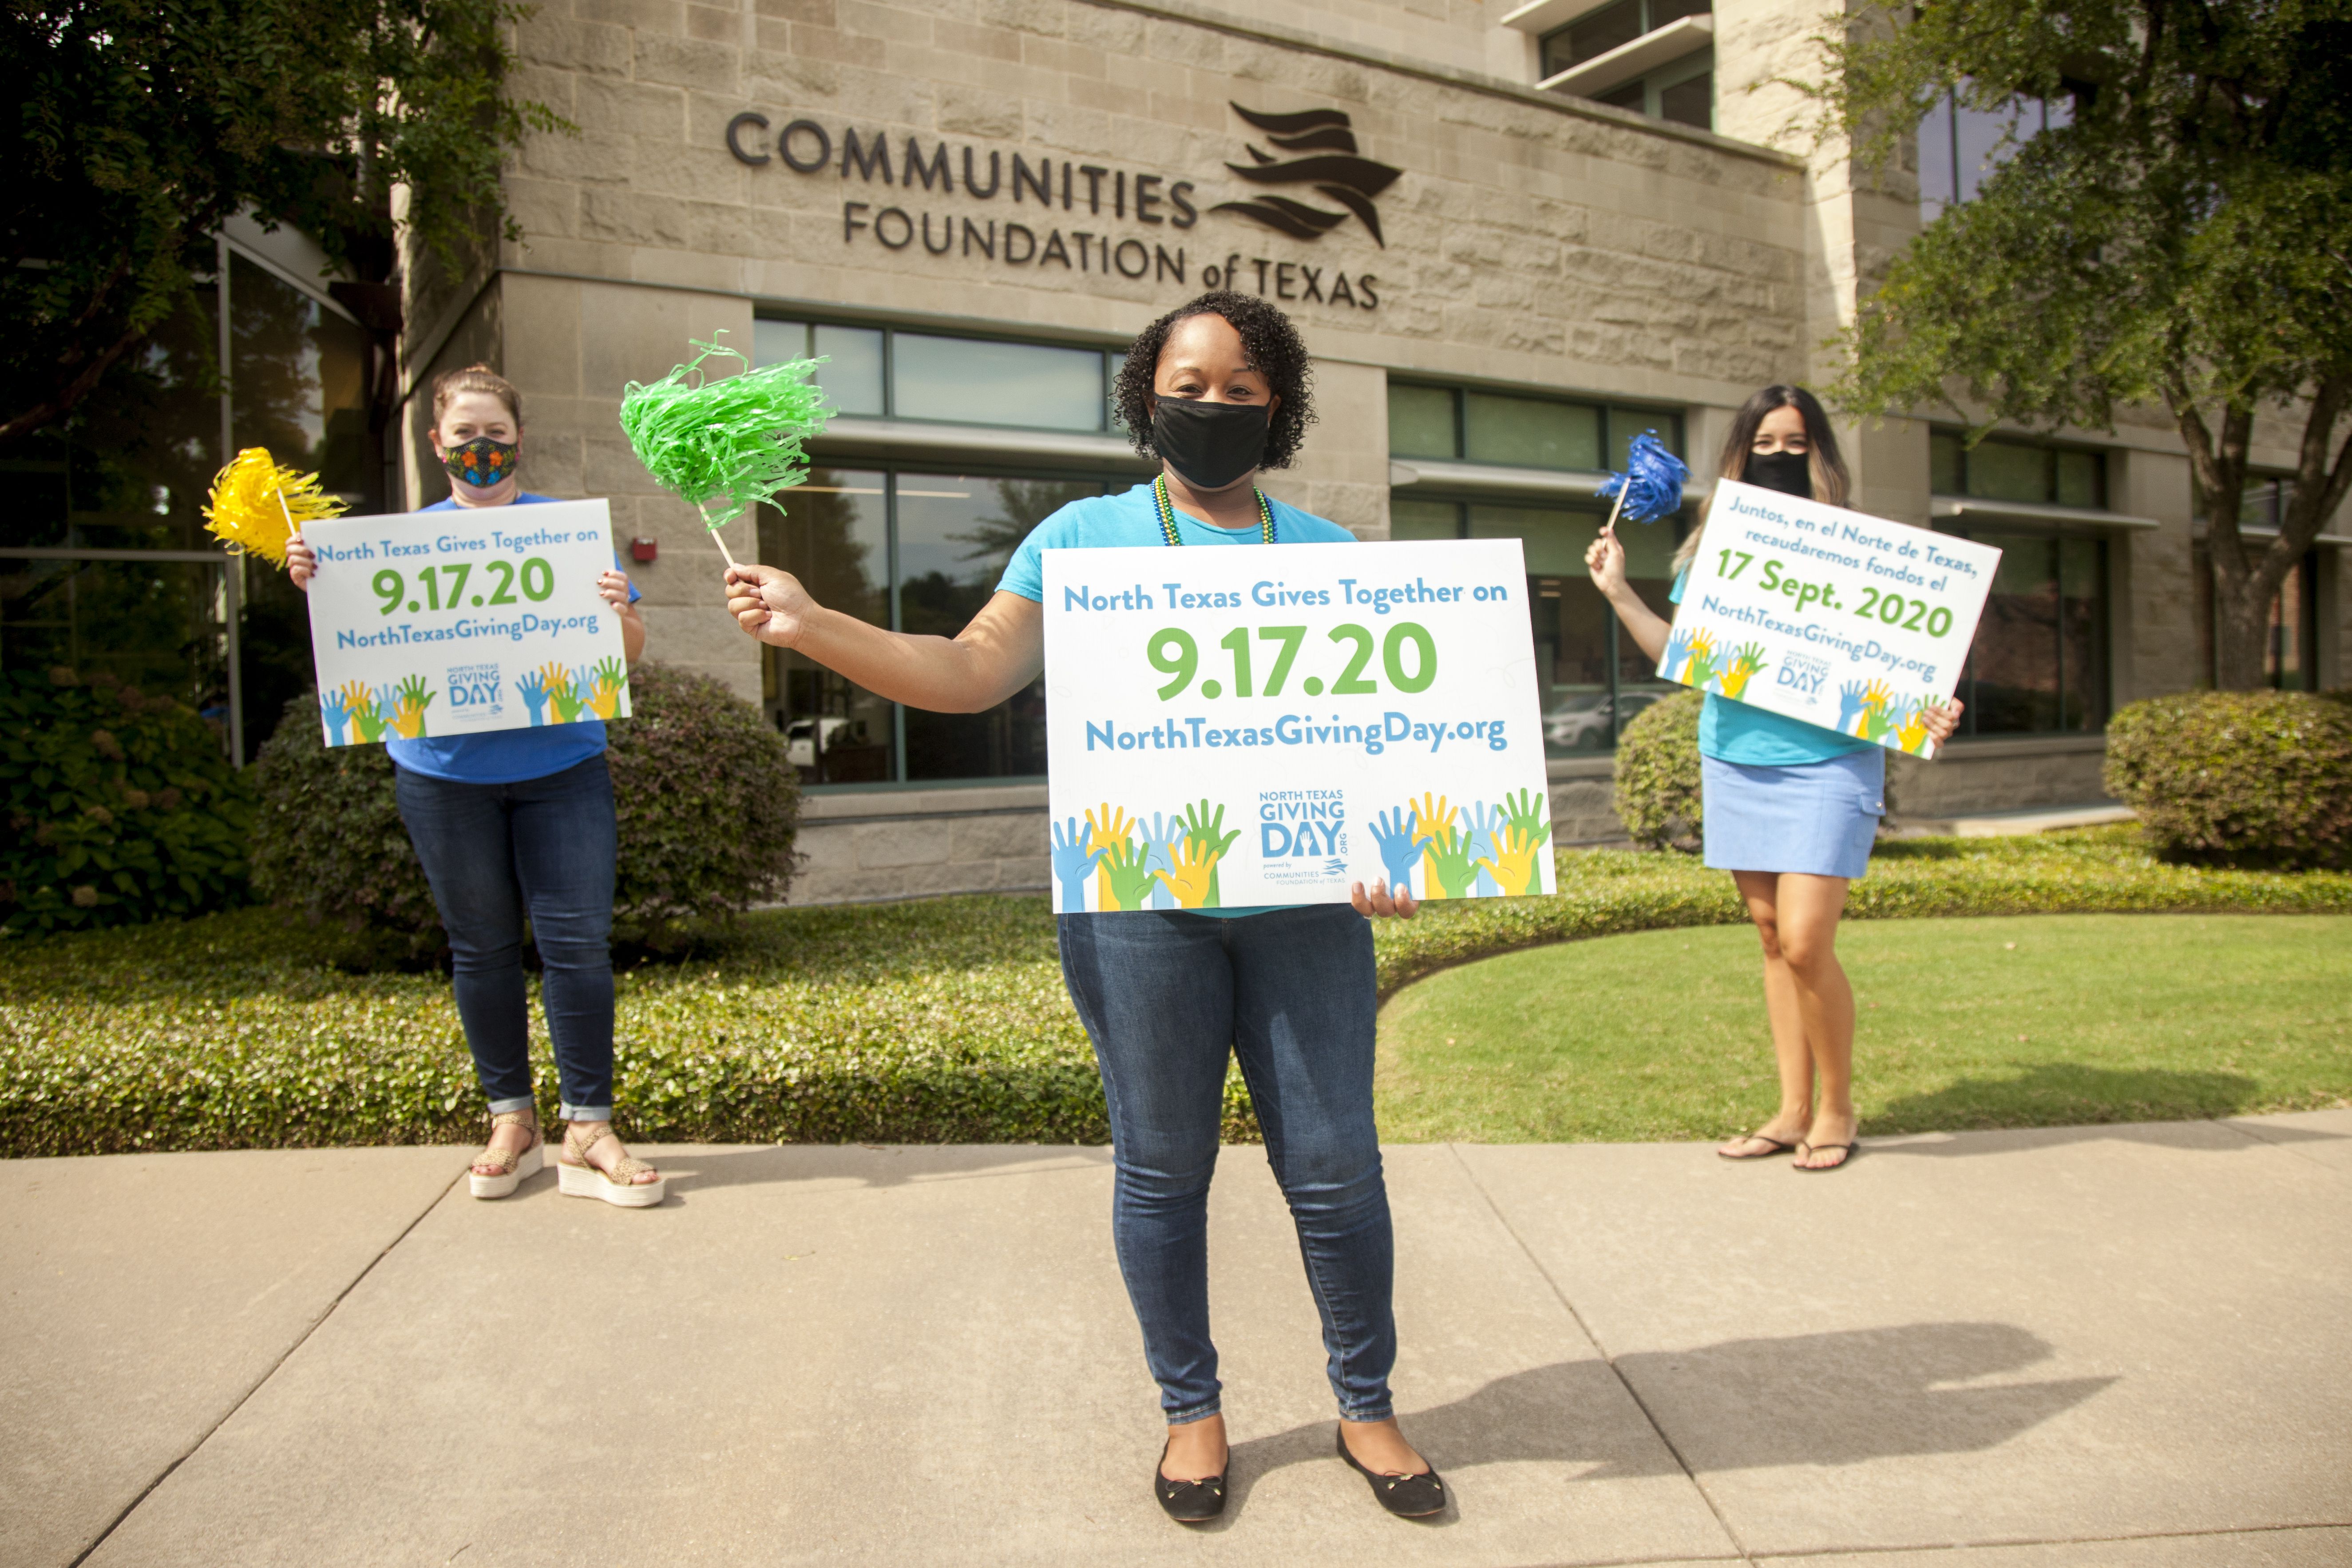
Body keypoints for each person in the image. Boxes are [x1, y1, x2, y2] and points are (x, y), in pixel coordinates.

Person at [723, 293, 1446, 1524]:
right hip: (1138, 911)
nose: (1210, 404)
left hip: (1306, 910)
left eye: (1239, 387)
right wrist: (816, 621)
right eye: (1187, 379)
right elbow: (965, 669)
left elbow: (1383, 735)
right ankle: (1191, 1411)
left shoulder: (1329, 551)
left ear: (1279, 404)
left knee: (1335, 1170)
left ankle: (1365, 1404)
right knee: (1162, 1168)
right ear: (1141, 394)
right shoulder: (1081, 535)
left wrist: (1401, 844)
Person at [285, 364, 666, 1208]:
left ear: (520, 440)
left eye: (495, 435)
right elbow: (356, 637)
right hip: (442, 779)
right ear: (437, 444)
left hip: (563, 771)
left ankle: (590, 1127)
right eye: (464, 437)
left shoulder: (568, 537)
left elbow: (627, 655)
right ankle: (513, 1121)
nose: (481, 449)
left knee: (578, 950)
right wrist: (322, 581)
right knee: (481, 949)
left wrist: (619, 615)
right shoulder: (394, 545)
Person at [1584, 385, 1962, 1172]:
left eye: (1796, 445)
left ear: (1819, 453)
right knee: (1769, 939)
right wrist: (1619, 591)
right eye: (1766, 445)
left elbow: (1907, 664)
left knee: (1804, 940)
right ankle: (1790, 1110)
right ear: (1741, 453)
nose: (1781, 458)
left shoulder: (1861, 547)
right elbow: (1679, 658)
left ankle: (1837, 1109)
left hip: (1828, 763)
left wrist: (1932, 707)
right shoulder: (1713, 549)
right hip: (1735, 757)